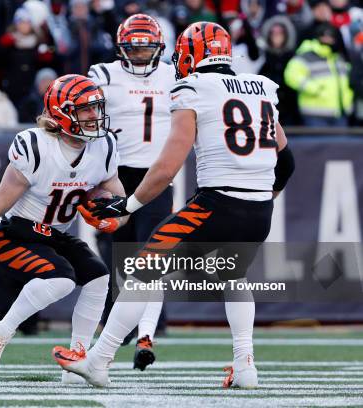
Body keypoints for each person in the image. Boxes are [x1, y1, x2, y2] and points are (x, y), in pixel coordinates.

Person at [54, 21, 295, 389]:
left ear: (192, 54)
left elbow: (166, 168)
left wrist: (127, 206)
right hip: (260, 210)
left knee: (142, 271)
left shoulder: (194, 88)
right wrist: (262, 198)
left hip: (216, 204)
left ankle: (99, 361)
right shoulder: (262, 86)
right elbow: (287, 162)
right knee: (234, 277)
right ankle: (245, 366)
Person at [0, 74, 127, 383]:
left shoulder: (104, 146)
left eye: (96, 108)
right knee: (62, 281)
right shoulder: (35, 145)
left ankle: (78, 360)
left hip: (54, 233)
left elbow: (120, 201)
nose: (94, 116)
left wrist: (113, 217)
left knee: (99, 277)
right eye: (85, 109)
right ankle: (0, 332)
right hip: (15, 232)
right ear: (62, 112)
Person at [87, 13, 175, 371]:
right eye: (133, 48)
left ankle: (148, 328)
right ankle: (114, 319)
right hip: (115, 173)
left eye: (146, 47)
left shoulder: (174, 75)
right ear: (121, 48)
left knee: (152, 253)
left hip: (157, 174)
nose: (139, 54)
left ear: (159, 48)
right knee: (111, 249)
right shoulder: (103, 74)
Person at [284, 22, 353, 127]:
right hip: (315, 113)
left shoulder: (338, 57)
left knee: (340, 143)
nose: (328, 39)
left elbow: (348, 80)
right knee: (317, 143)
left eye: (331, 36)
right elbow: (291, 76)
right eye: (324, 36)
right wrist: (314, 89)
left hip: (340, 113)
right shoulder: (306, 56)